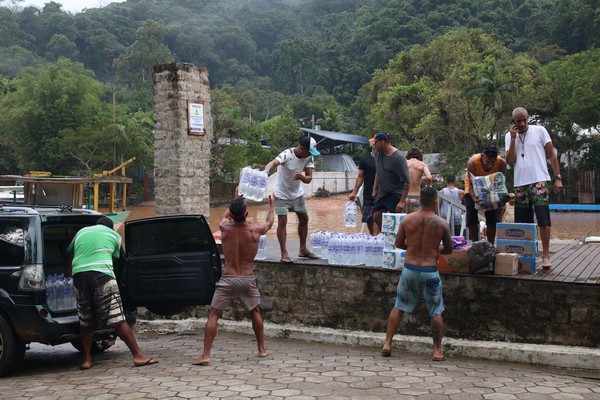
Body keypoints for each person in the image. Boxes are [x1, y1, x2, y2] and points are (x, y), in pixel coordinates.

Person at [66, 217, 158, 370]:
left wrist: (69, 273)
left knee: (85, 319)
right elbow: (115, 260)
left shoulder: (81, 232)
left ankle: (87, 360)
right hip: (101, 276)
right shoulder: (114, 235)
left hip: (79, 276)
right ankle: (138, 356)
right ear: (110, 227)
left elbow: (70, 254)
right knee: (117, 318)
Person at [193, 194, 275, 366]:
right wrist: (272, 205)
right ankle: (262, 349)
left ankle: (206, 354)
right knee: (255, 313)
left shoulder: (224, 227)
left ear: (232, 213)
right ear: (246, 214)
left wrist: (234, 201)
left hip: (228, 279)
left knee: (214, 314)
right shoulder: (255, 229)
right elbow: (269, 223)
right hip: (246, 278)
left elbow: (225, 216)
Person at [381, 187, 453, 361]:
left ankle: (387, 344)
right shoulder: (441, 223)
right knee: (435, 311)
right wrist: (433, 249)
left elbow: (398, 244)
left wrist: (413, 248)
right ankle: (437, 351)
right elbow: (449, 250)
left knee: (399, 306)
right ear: (435, 201)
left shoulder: (407, 220)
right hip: (430, 271)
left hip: (410, 270)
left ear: (420, 201)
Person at [505, 107, 563, 270]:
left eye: (525, 120)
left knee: (543, 220)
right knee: (523, 223)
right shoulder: (509, 136)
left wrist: (557, 178)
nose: (522, 123)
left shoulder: (540, 131)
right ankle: (526, 256)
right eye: (519, 121)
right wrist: (513, 139)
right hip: (520, 184)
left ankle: (545, 255)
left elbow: (552, 154)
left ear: (528, 118)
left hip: (539, 181)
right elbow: (510, 161)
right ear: (514, 122)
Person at [264, 135, 320, 264]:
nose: (309, 155)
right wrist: (266, 171)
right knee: (283, 221)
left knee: (304, 218)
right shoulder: (287, 154)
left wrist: (301, 177)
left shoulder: (308, 158)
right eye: (309, 152)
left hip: (297, 194)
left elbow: (309, 179)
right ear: (302, 148)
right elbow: (273, 163)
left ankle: (303, 249)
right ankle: (284, 253)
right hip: (281, 193)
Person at [462, 145, 507, 244]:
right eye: (487, 162)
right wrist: (474, 198)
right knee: (471, 216)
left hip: (493, 188)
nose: (490, 165)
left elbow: (502, 184)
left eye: (493, 162)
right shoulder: (473, 162)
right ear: (482, 156)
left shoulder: (502, 163)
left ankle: (490, 244)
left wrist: (503, 198)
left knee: (493, 217)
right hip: (473, 187)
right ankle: (475, 243)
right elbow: (470, 184)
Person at [369, 132, 410, 235]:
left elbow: (406, 181)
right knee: (376, 216)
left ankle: (400, 239)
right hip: (383, 192)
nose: (374, 145)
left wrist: (402, 201)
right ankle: (388, 236)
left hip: (396, 192)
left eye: (376, 142)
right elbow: (379, 171)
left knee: (396, 218)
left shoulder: (398, 158)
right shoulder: (378, 153)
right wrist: (374, 189)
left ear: (383, 142)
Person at [348, 138, 377, 234]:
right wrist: (354, 192)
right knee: (369, 218)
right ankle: (373, 237)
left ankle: (380, 238)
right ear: (373, 146)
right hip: (368, 193)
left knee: (380, 217)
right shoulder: (365, 160)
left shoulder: (386, 158)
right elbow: (360, 177)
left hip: (383, 193)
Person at [405, 147, 433, 213]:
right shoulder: (422, 165)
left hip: (404, 196)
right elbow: (429, 177)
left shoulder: (404, 163)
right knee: (416, 220)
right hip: (417, 196)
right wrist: (428, 187)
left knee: (405, 220)